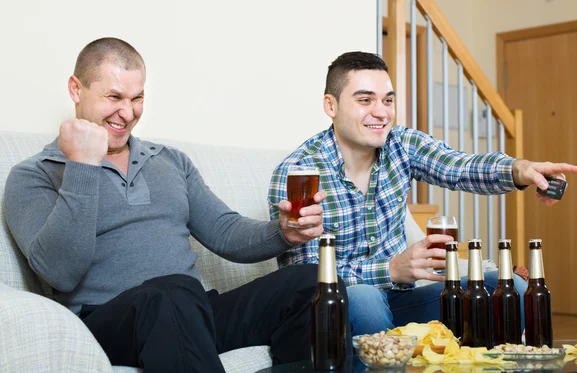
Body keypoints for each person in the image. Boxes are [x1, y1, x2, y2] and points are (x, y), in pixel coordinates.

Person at [3, 37, 348, 373]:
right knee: (171, 292)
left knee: (311, 282)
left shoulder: (168, 161)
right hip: (108, 323)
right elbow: (62, 273)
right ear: (76, 89)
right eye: (113, 97)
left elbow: (225, 232)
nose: (127, 112)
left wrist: (284, 231)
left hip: (192, 312)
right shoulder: (34, 175)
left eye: (137, 98)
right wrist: (82, 165)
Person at [268, 51, 577, 337]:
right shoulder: (300, 172)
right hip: (334, 308)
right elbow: (304, 279)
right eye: (365, 100)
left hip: (401, 300)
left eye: (388, 100)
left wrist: (520, 169)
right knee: (364, 298)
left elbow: (460, 166)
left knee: (511, 288)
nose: (381, 112)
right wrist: (390, 269)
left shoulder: (402, 144)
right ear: (331, 106)